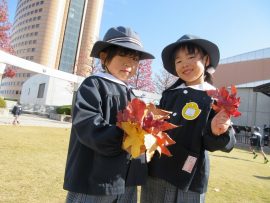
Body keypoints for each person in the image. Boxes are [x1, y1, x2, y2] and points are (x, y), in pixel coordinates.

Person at [63, 26, 154, 203]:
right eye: (123, 55)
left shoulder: (132, 95)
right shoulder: (93, 84)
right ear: (104, 56)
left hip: (126, 180)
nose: (129, 63)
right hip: (95, 178)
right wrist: (124, 137)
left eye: (135, 59)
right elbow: (87, 123)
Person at [141, 34, 236, 203]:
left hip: (189, 179)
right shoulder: (168, 95)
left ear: (206, 60)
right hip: (156, 170)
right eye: (178, 61)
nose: (184, 63)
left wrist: (217, 132)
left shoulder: (215, 98)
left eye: (191, 57)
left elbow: (223, 143)